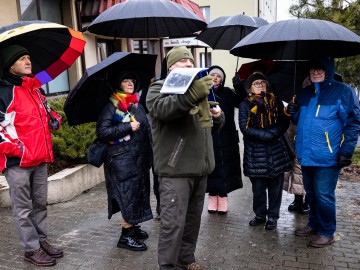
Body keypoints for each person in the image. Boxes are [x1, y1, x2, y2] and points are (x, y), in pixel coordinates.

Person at [146, 46, 224, 270]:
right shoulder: (158, 88)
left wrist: (218, 115)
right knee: (173, 224)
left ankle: (186, 259)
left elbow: (213, 123)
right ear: (171, 67)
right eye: (183, 63)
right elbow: (163, 110)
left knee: (192, 222)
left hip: (200, 169)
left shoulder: (199, 90)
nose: (189, 66)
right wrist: (191, 95)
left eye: (191, 63)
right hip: (175, 170)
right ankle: (168, 266)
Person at [286, 57, 360, 247]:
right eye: (312, 69)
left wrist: (346, 151)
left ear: (328, 70)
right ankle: (314, 224)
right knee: (310, 193)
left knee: (324, 194)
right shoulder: (305, 93)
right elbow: (298, 119)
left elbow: (353, 123)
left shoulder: (343, 92)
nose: (315, 72)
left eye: (320, 69)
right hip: (306, 153)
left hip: (328, 156)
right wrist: (293, 110)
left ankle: (327, 231)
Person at [0, 45, 63, 266]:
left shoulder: (35, 89)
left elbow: (46, 113)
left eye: (28, 57)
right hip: (18, 161)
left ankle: (41, 241)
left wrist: (54, 118)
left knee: (40, 204)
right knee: (23, 209)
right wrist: (18, 149)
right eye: (22, 59)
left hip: (40, 158)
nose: (28, 62)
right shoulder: (4, 92)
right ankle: (31, 248)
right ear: (10, 65)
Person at [96, 71, 153, 252]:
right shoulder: (111, 106)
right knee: (127, 196)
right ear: (118, 84)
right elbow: (102, 132)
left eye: (132, 80)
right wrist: (127, 126)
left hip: (138, 158)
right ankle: (125, 237)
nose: (130, 83)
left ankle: (133, 227)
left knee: (137, 193)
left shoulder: (134, 102)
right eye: (125, 80)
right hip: (122, 161)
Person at [238, 72, 292, 230]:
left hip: (276, 151)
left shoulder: (276, 102)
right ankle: (260, 215)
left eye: (262, 82)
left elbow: (283, 122)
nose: (260, 85)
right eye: (256, 83)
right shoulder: (245, 104)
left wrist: (273, 133)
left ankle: (273, 217)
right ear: (250, 88)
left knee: (275, 188)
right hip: (255, 153)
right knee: (259, 189)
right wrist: (265, 135)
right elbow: (244, 127)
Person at [206, 65, 244, 214]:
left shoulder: (227, 93)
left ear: (222, 79)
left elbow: (242, 102)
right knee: (212, 167)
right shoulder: (203, 93)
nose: (215, 77)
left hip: (227, 137)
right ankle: (212, 196)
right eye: (212, 75)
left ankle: (223, 196)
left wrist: (238, 85)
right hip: (209, 136)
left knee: (224, 167)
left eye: (218, 76)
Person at [283, 122, 309, 214]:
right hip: (292, 126)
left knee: (304, 167)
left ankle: (308, 201)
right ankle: (298, 199)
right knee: (294, 168)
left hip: (306, 126)